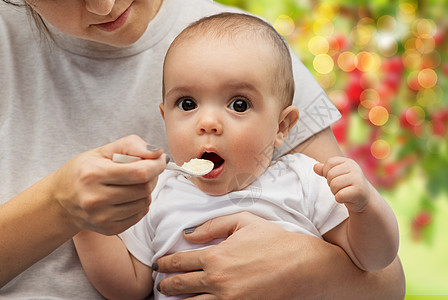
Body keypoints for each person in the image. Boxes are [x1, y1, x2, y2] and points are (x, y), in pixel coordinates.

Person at [0, 0, 405, 299]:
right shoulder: (158, 196)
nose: (207, 122)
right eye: (187, 105)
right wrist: (82, 221)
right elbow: (128, 286)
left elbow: (378, 266)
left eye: (239, 105)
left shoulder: (301, 178)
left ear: (282, 126)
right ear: (162, 116)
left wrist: (364, 207)